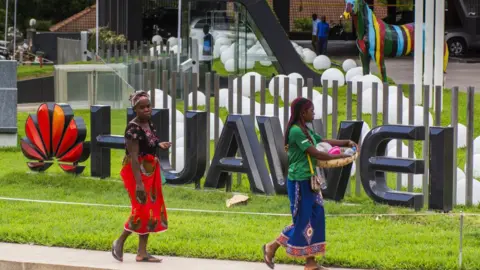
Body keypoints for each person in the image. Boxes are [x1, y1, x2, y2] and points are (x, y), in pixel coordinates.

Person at [262, 97, 357, 270]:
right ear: (302, 112)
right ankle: (271, 247)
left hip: (310, 181)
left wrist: (346, 142)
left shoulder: (306, 129)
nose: (314, 113)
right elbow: (317, 153)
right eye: (311, 110)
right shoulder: (296, 131)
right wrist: (342, 155)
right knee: (302, 221)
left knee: (316, 217)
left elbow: (322, 142)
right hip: (299, 181)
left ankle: (310, 263)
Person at [112, 91, 172, 263]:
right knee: (141, 209)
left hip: (150, 171)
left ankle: (142, 253)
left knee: (151, 211)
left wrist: (159, 145)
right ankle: (119, 241)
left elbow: (148, 145)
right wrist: (139, 184)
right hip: (136, 173)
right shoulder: (133, 128)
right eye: (142, 107)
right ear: (135, 109)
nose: (146, 109)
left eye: (148, 106)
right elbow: (133, 156)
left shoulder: (149, 124)